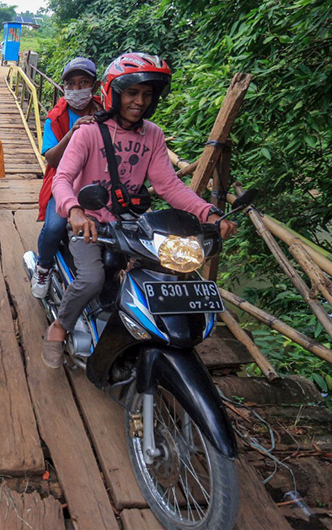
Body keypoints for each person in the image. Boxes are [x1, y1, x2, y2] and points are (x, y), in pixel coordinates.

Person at [41, 52, 238, 369]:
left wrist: (208, 213)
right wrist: (75, 210)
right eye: (133, 93)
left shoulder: (153, 135)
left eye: (147, 94)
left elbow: (169, 186)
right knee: (91, 279)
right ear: (115, 92)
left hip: (133, 224)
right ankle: (60, 326)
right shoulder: (88, 131)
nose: (140, 101)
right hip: (90, 225)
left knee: (164, 274)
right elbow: (62, 178)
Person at [31, 57, 105, 298]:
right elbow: (51, 158)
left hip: (99, 183)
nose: (76, 89)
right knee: (54, 226)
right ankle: (43, 266)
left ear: (94, 85)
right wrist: (74, 132)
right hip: (65, 184)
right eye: (70, 84)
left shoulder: (106, 112)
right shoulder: (57, 117)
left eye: (83, 82)